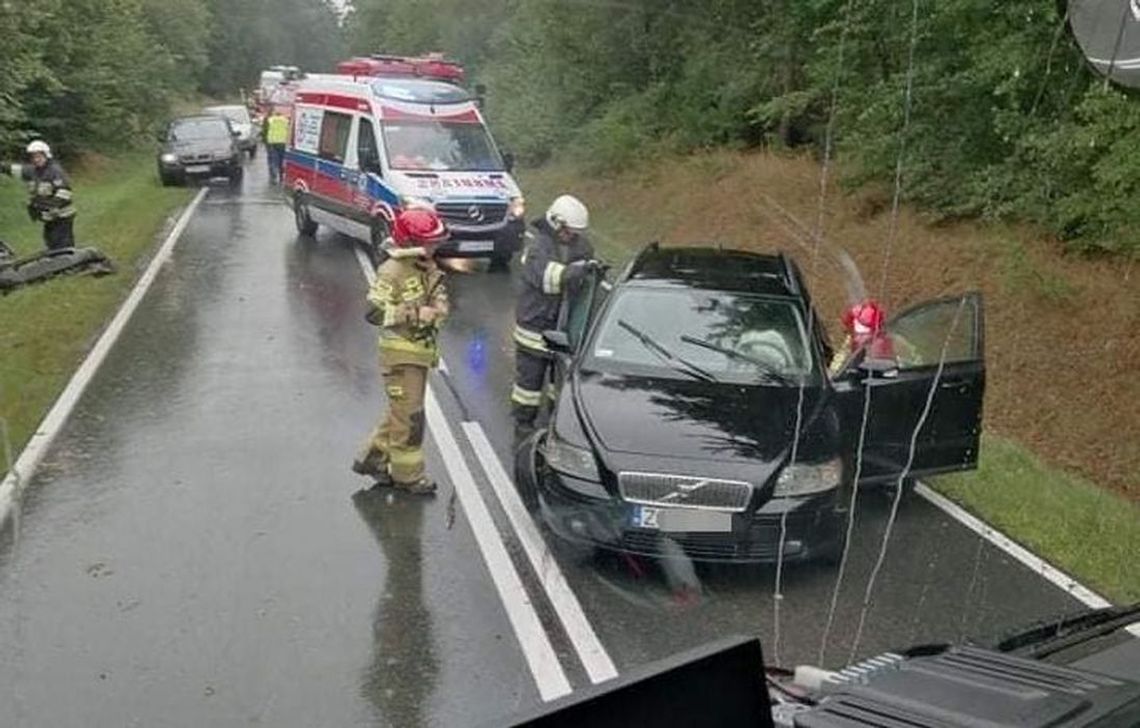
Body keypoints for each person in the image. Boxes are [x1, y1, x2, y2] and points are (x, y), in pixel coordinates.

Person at [353, 208, 450, 495]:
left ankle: (372, 460)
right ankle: (409, 477)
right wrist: (416, 312)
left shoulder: (425, 267)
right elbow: (372, 312)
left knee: (400, 411)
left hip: (417, 354)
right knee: (410, 418)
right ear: (411, 242)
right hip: (400, 357)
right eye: (430, 241)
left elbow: (437, 300)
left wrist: (438, 306)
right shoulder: (392, 271)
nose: (436, 247)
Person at [511, 194, 595, 434]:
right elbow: (549, 279)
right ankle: (523, 424)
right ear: (556, 223)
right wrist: (577, 272)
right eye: (568, 231)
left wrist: (589, 270)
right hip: (534, 327)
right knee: (528, 384)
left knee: (556, 382)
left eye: (575, 232)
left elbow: (584, 279)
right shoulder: (538, 247)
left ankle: (554, 420)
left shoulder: (581, 245)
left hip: (563, 328)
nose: (572, 236)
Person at [2, 141, 77, 250]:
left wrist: (51, 205)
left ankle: (69, 262)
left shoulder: (55, 171)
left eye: (39, 156)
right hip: (49, 218)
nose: (36, 160)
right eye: (33, 157)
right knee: (51, 241)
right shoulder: (32, 171)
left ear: (46, 155)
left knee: (62, 244)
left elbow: (65, 192)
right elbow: (12, 169)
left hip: (61, 216)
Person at [828, 299, 893, 375]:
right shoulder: (846, 349)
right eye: (856, 335)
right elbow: (835, 371)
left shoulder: (886, 345)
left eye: (865, 335)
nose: (859, 339)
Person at [263, 107, 289, 185]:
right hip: (282, 142)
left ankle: (274, 177)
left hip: (272, 142)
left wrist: (265, 141)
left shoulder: (270, 120)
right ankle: (281, 177)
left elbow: (265, 130)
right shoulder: (286, 120)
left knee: (273, 160)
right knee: (281, 160)